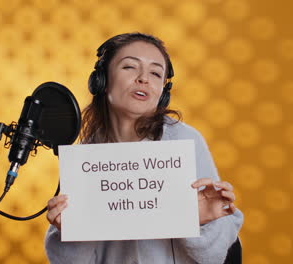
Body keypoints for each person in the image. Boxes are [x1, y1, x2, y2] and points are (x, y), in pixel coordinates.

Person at [45, 32, 243, 264]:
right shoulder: (87, 157)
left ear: (163, 92)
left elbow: (215, 254)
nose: (143, 79)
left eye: (156, 73)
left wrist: (202, 221)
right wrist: (70, 231)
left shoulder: (184, 141)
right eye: (130, 67)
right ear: (101, 79)